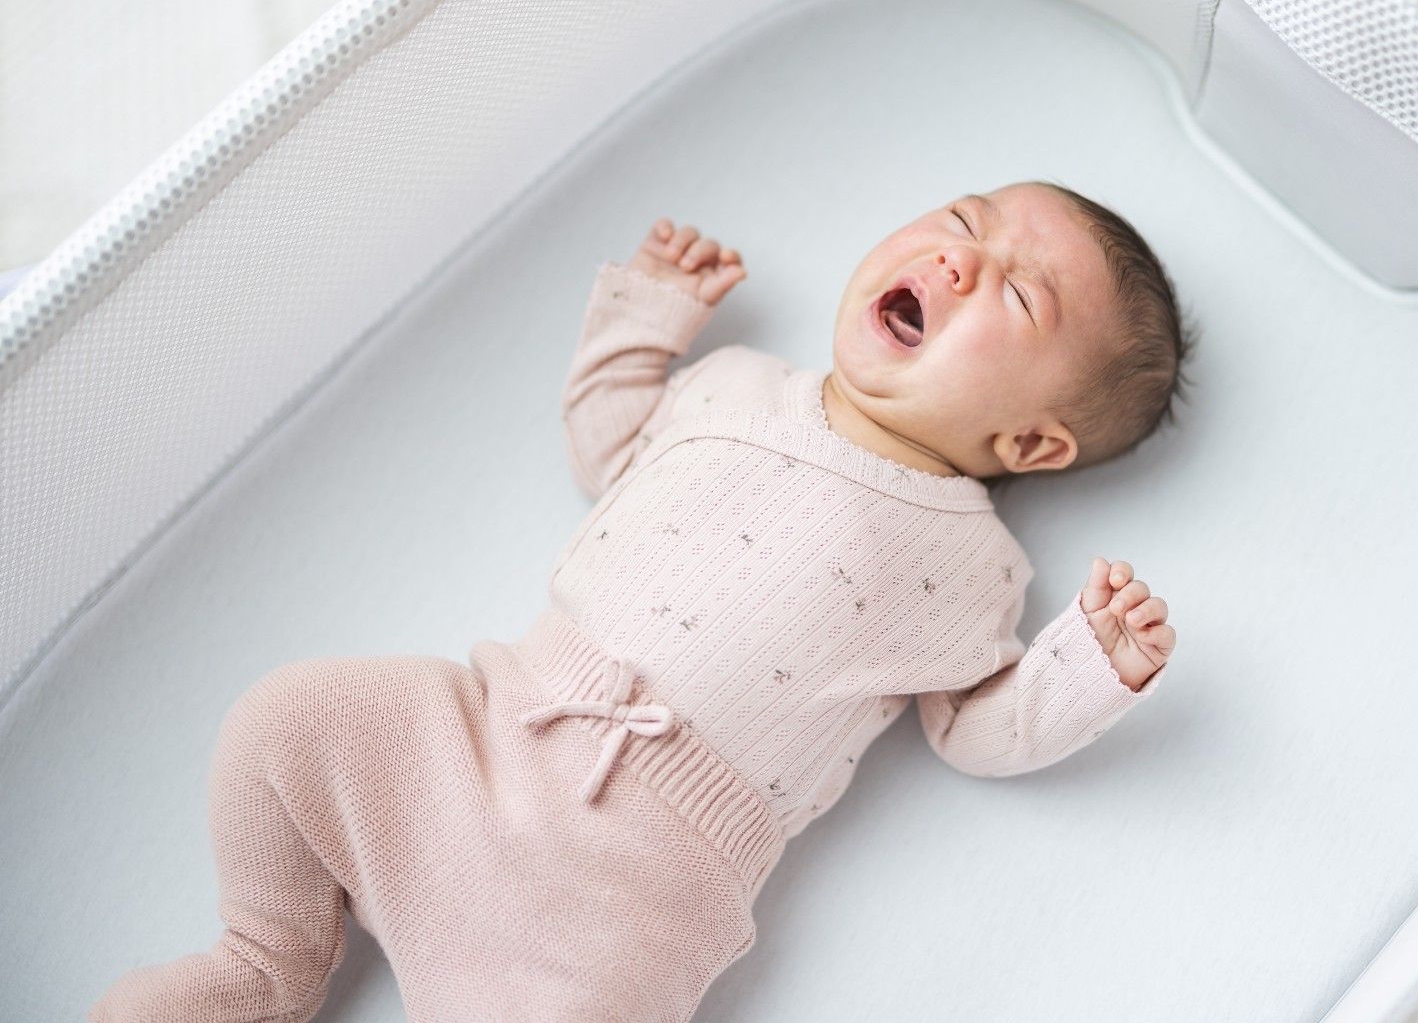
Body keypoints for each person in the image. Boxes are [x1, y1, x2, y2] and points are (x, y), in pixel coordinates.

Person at [89, 180, 1192, 1022]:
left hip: (633, 894)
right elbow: (608, 437)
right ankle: (264, 965)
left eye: (1010, 290)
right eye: (962, 219)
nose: (957, 257)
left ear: (1031, 442)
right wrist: (648, 315)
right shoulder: (735, 385)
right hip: (483, 733)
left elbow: (974, 727)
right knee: (289, 720)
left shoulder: (974, 564)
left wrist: (1085, 669)